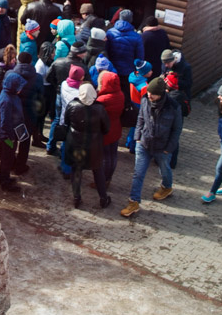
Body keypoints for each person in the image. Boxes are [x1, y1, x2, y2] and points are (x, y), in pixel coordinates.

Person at [121, 77, 181, 217]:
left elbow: (176, 129)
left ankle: (166, 187)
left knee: (164, 169)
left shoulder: (173, 107)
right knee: (138, 174)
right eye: (148, 93)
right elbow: (140, 118)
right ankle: (133, 202)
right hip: (144, 143)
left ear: (161, 94)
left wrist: (169, 148)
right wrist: (137, 138)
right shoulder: (145, 100)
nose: (149, 95)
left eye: (152, 94)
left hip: (162, 147)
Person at [66, 83, 110, 209]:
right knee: (98, 170)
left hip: (76, 144)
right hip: (94, 146)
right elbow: (106, 128)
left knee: (76, 171)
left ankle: (76, 198)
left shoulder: (72, 105)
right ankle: (103, 198)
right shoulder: (100, 109)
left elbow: (66, 122)